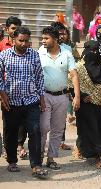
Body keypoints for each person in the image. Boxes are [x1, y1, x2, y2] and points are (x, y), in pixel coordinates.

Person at [0, 26, 48, 178]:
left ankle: (36, 165)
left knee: (35, 131)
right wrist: (2, 94)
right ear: (13, 39)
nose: (24, 44)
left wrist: (41, 97)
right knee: (10, 132)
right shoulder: (4, 55)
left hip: (31, 101)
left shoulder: (34, 55)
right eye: (21, 40)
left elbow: (40, 77)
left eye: (27, 41)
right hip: (11, 102)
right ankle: (12, 161)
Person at [70, 41, 101, 168]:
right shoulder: (78, 67)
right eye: (92, 50)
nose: (95, 53)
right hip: (86, 104)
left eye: (97, 50)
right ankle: (97, 158)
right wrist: (81, 96)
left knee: (100, 129)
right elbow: (70, 84)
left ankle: (84, 150)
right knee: (89, 130)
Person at [39, 26, 80, 170]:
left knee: (57, 129)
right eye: (42, 38)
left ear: (55, 39)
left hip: (62, 96)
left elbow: (74, 75)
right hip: (44, 96)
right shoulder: (40, 52)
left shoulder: (67, 54)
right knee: (43, 127)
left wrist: (77, 97)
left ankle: (50, 159)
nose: (43, 41)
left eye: (46, 38)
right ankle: (38, 157)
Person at [0, 16, 29, 160]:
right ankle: (7, 148)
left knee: (23, 122)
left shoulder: (25, 46)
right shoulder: (1, 46)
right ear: (7, 30)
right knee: (8, 122)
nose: (15, 31)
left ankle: (20, 145)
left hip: (22, 90)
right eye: (12, 28)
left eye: (17, 28)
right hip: (4, 90)